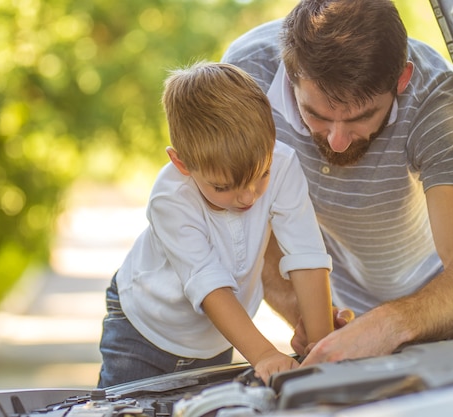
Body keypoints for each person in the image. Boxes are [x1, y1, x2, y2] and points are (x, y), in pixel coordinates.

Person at [221, 0, 453, 365]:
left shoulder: (433, 100)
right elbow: (245, 226)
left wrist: (387, 325)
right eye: (316, 115)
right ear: (289, 73)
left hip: (444, 294)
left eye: (362, 117)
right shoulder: (245, 79)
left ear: (401, 80)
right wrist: (311, 316)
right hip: (350, 299)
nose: (336, 141)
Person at [97, 62, 334, 387]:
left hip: (216, 337)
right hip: (144, 330)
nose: (248, 197)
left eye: (261, 175)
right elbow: (210, 285)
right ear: (181, 163)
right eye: (223, 187)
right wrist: (264, 354)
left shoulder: (282, 164)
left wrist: (322, 348)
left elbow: (306, 253)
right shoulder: (171, 199)